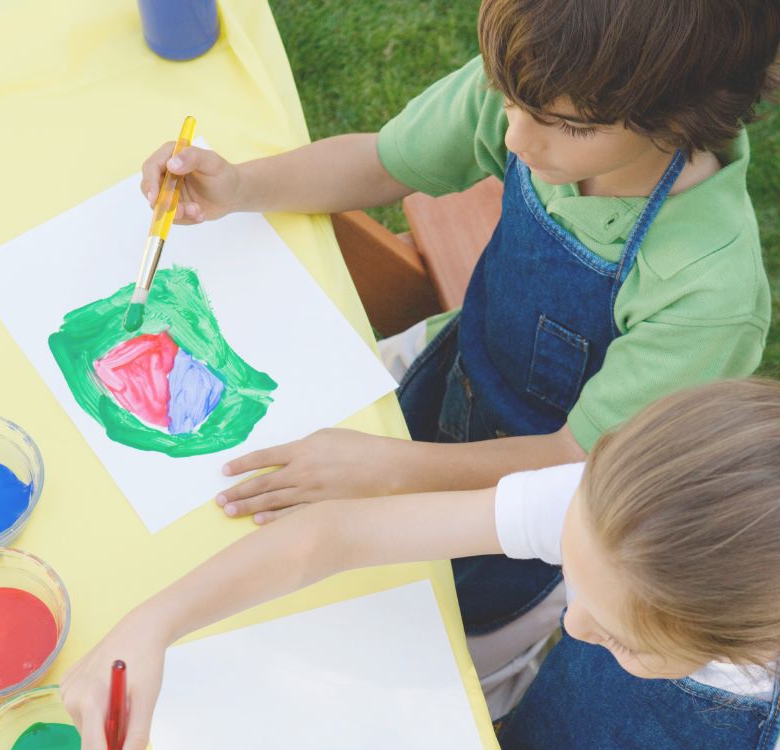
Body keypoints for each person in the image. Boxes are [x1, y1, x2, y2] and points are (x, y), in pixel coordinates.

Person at [138, 0, 778, 709]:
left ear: (684, 116)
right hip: (451, 375)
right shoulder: (543, 82)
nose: (518, 138)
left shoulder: (706, 292)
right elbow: (387, 160)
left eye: (570, 127)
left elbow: (580, 466)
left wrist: (392, 469)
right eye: (510, 102)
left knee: (436, 660)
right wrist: (244, 187)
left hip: (541, 524)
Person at [63, 378, 780, 750]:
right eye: (570, 577)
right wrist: (150, 627)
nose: (572, 626)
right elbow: (335, 536)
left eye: (618, 636)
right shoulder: (615, 511)